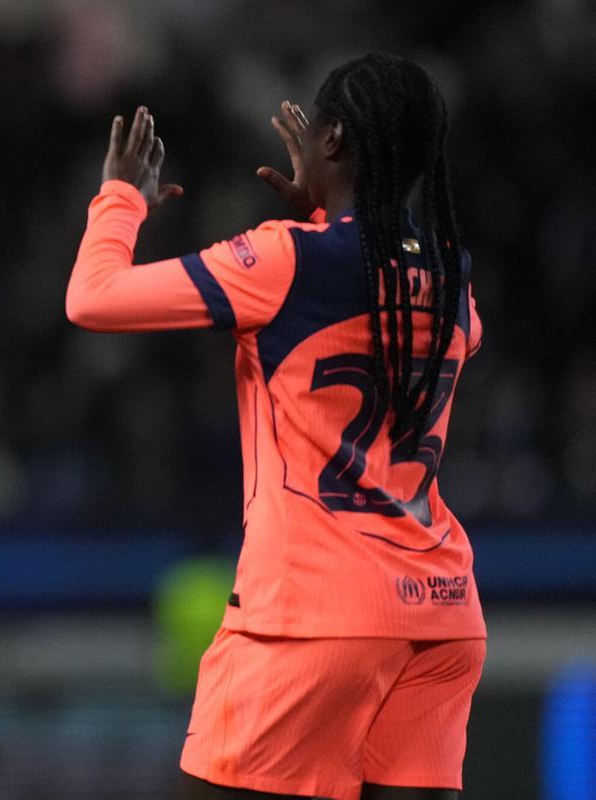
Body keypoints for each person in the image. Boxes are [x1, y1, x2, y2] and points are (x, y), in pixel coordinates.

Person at [66, 53, 484, 800]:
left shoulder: (284, 258)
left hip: (312, 618)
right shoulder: (454, 278)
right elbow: (384, 288)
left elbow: (93, 299)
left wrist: (120, 199)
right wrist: (327, 215)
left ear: (328, 140)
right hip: (444, 615)